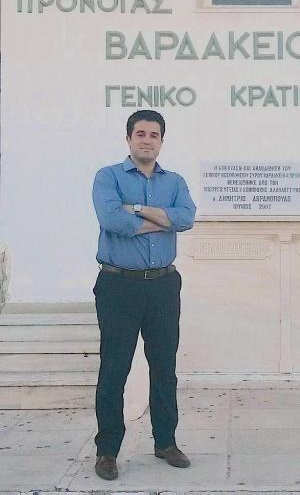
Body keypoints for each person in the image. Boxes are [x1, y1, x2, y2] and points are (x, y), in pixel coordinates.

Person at [91, 110, 196, 481]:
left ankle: (166, 442)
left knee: (164, 367)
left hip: (163, 286)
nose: (147, 140)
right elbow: (111, 221)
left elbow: (186, 218)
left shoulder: (175, 181)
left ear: (161, 141)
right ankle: (107, 451)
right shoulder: (108, 177)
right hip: (119, 286)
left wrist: (135, 210)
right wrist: (162, 220)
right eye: (140, 133)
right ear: (129, 139)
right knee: (114, 368)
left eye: (154, 134)